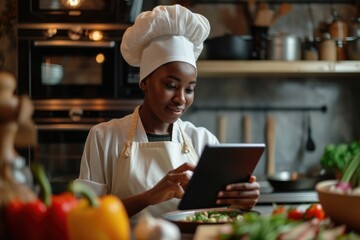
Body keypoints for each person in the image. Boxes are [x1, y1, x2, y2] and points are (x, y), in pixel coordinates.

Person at [75, 4, 260, 218]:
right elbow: (85, 217)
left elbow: (219, 217)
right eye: (170, 85)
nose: (181, 98)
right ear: (144, 82)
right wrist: (149, 197)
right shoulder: (104, 138)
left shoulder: (203, 142)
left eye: (189, 89)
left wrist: (241, 203)